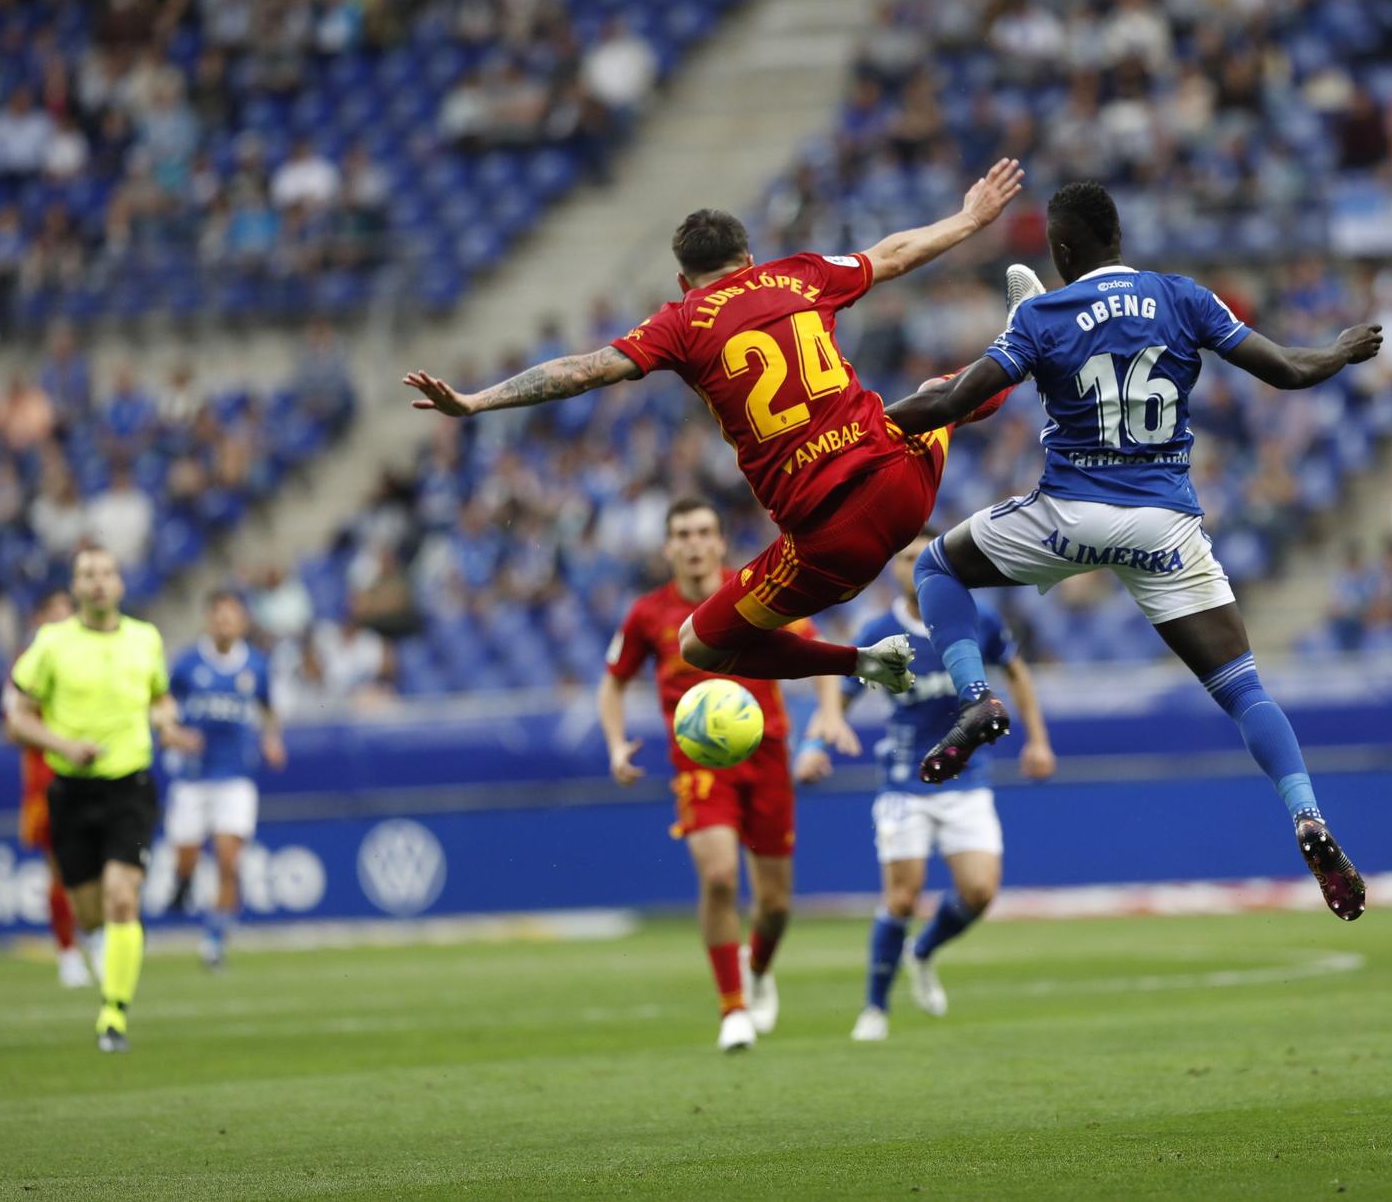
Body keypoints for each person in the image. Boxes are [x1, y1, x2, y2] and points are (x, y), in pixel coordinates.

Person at [884, 181, 1382, 921]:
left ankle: (977, 697)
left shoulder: (1044, 313)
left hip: (1070, 512)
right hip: (1163, 525)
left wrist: (859, 430)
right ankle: (1306, 813)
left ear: (1060, 251)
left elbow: (954, 401)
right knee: (1244, 687)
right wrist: (1340, 350)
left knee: (936, 565)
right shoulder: (1184, 297)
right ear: (1119, 234)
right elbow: (1287, 370)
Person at [404, 158, 1026, 696]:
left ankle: (864, 663)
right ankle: (1020, 347)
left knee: (698, 644)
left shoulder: (682, 321)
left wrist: (478, 401)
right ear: (749, 258)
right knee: (931, 399)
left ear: (683, 280)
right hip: (900, 487)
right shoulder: (799, 274)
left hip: (830, 543)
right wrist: (970, 218)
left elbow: (583, 370)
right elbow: (891, 255)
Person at [596, 497, 852, 1053]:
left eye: (703, 532)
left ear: (719, 542)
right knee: (717, 877)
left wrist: (828, 715)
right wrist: (617, 746)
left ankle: (758, 969)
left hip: (766, 756)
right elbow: (612, 683)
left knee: (777, 905)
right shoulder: (646, 615)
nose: (693, 543)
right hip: (699, 764)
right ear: (668, 547)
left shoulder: (754, 594)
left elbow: (816, 650)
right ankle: (733, 1007)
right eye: (682, 533)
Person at [802, 532, 1054, 1042]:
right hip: (904, 780)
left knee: (981, 891)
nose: (910, 567)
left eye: (920, 557)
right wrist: (813, 745)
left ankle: (923, 951)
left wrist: (1038, 741)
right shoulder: (882, 633)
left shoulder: (975, 620)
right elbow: (841, 696)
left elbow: (1018, 674)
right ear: (892, 569)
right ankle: (875, 1008)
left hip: (967, 778)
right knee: (902, 897)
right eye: (903, 560)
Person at [3, 545, 198, 1052]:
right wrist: (65, 746)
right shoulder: (50, 644)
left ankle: (113, 1014)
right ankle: (103, 955)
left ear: (120, 583)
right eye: (87, 574)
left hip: (129, 784)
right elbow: (19, 716)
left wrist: (167, 723)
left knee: (121, 897)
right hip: (69, 788)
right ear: (74, 586)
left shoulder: (145, 639)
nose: (97, 583)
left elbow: (158, 696)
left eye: (106, 573)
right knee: (89, 911)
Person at [162, 590, 285, 970]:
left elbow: (268, 708)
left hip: (235, 776)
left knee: (229, 860)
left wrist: (271, 739)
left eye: (232, 617)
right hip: (193, 776)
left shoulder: (257, 666)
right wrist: (176, 735)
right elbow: (163, 707)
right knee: (187, 857)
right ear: (209, 621)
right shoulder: (186, 664)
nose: (225, 624)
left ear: (243, 622)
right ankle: (182, 882)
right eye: (219, 617)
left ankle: (214, 941)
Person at [15, 589, 90, 988]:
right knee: (62, 868)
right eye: (54, 615)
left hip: (96, 774)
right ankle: (68, 950)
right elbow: (11, 728)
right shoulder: (29, 666)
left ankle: (95, 935)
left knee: (97, 864)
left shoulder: (93, 658)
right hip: (48, 780)